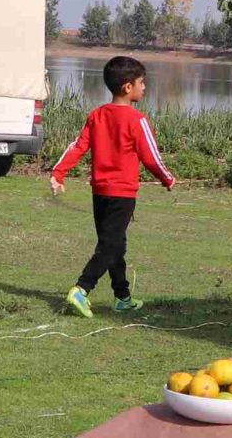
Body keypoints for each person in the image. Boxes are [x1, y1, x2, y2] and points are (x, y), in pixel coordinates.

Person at [48, 54, 175, 316]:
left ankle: (122, 296)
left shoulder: (96, 115)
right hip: (122, 194)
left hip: (100, 193)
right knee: (110, 245)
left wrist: (58, 173)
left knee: (115, 243)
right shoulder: (137, 120)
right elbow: (151, 156)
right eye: (142, 83)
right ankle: (81, 289)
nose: (144, 88)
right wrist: (167, 178)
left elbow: (77, 147)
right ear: (128, 87)